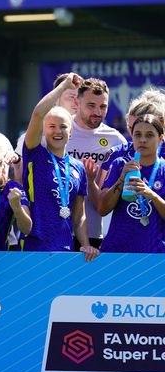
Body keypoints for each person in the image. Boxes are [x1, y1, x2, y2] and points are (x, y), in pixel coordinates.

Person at [22, 73, 98, 260]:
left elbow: (79, 215)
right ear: (44, 130)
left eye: (63, 126)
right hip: (34, 248)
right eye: (51, 126)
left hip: (66, 250)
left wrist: (86, 245)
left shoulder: (78, 167)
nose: (57, 131)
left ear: (70, 131)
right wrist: (63, 87)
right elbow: (38, 113)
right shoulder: (35, 154)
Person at [64, 78, 126, 248]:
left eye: (103, 106)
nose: (98, 112)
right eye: (91, 105)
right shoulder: (59, 128)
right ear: (77, 102)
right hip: (58, 231)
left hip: (94, 232)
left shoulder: (116, 140)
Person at [93, 114, 165, 252]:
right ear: (132, 137)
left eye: (149, 135)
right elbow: (102, 209)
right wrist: (121, 179)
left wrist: (153, 196)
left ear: (161, 139)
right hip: (117, 252)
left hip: (154, 253)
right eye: (137, 134)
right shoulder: (120, 164)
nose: (143, 140)